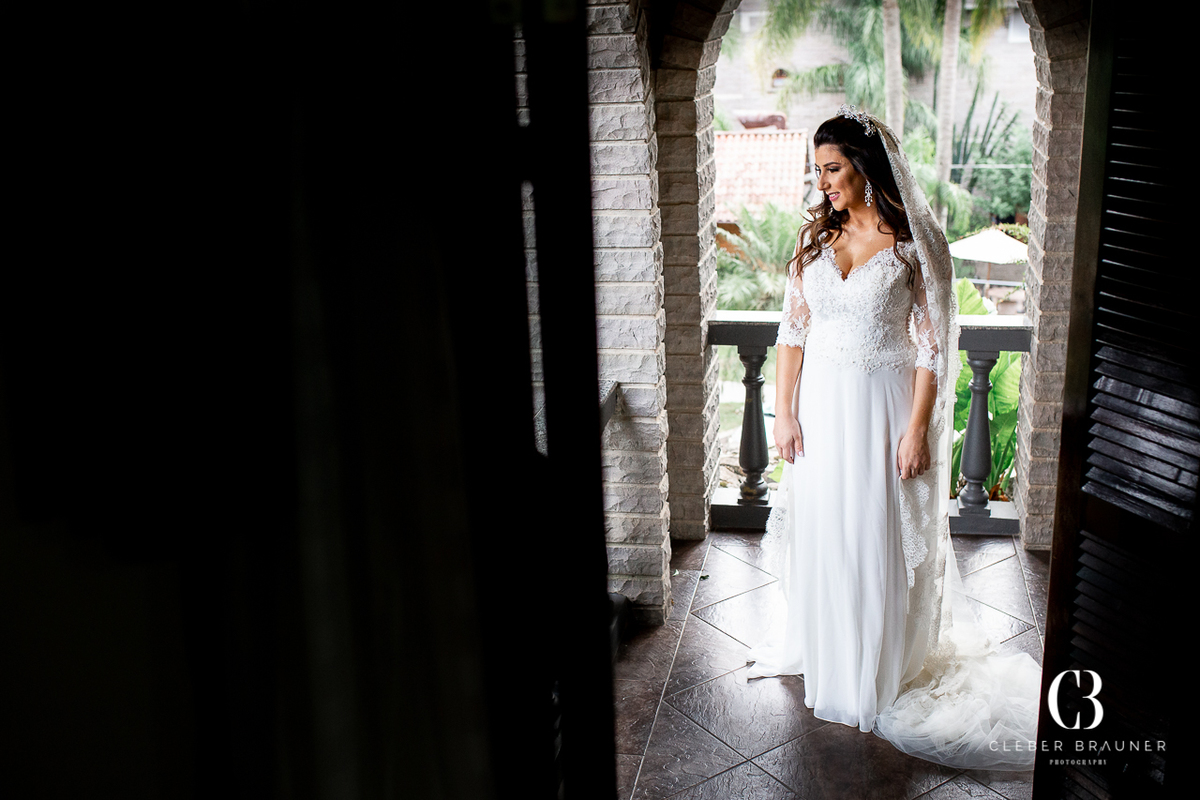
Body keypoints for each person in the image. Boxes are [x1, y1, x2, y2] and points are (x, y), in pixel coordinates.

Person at [744, 107, 1041, 770]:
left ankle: (874, 669)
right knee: (828, 531)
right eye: (817, 169)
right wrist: (785, 414)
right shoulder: (814, 240)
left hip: (883, 407)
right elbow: (792, 335)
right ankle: (829, 654)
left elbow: (934, 349)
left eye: (833, 168)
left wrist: (915, 430)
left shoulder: (912, 244)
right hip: (821, 407)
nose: (822, 182)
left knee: (873, 533)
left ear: (865, 168)